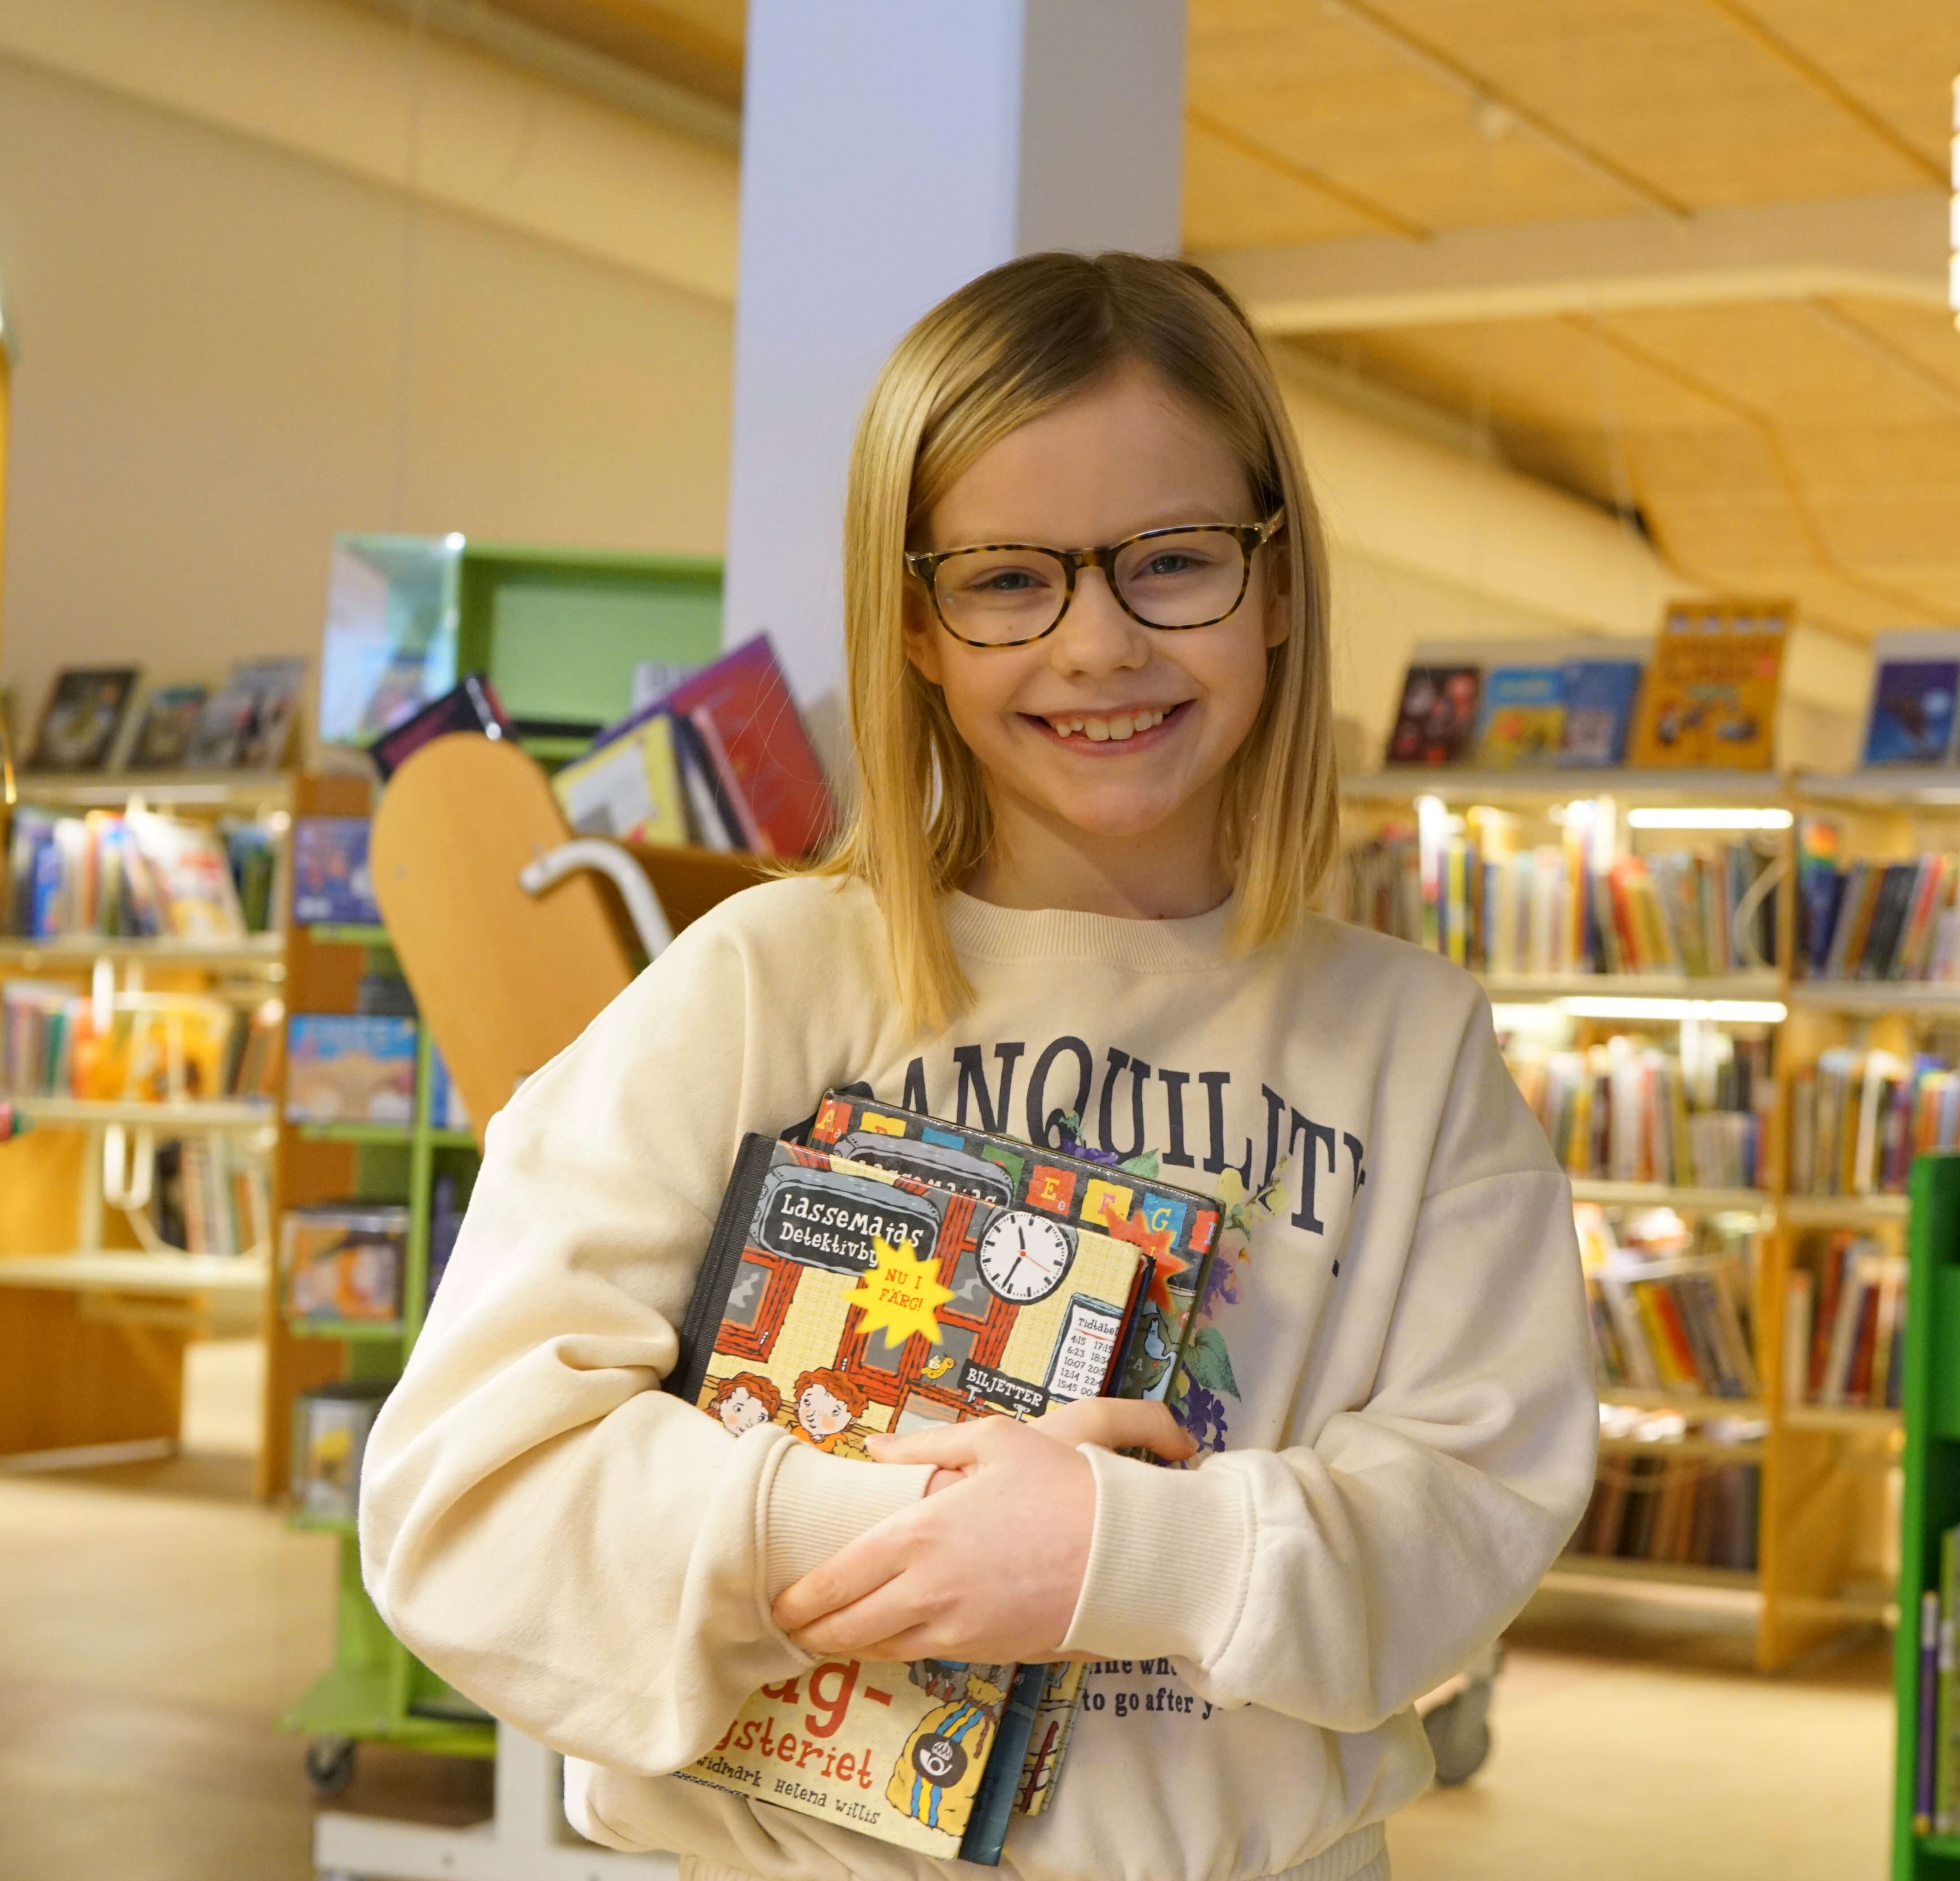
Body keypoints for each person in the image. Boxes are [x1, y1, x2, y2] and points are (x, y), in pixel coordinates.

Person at [358, 252, 1598, 1881]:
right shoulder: (760, 983)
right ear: (918, 625)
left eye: (1173, 561)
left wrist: (1126, 1553)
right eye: (1011, 580)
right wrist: (885, 1533)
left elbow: (1477, 1504)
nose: (1098, 644)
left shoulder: (1410, 1045)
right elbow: (466, 1499)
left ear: (1278, 584)